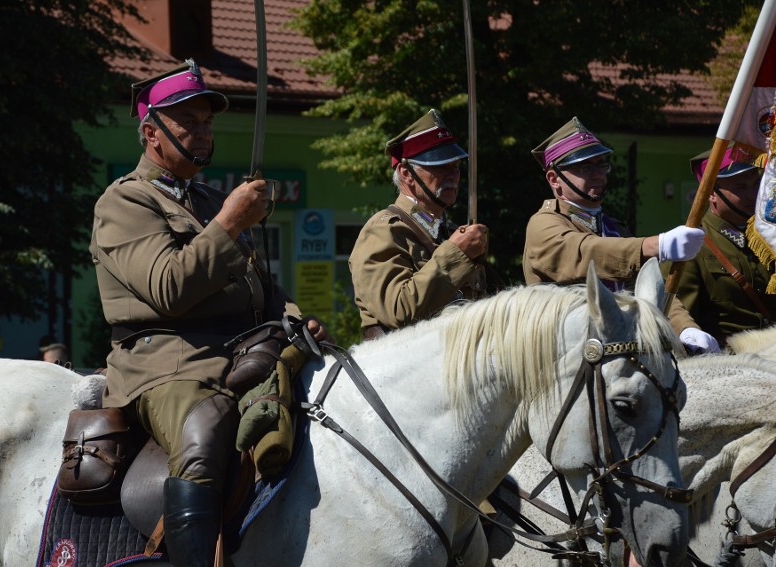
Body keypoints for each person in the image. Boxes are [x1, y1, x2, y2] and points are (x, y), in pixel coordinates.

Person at [89, 59, 326, 566]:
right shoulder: (124, 202)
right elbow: (169, 288)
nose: (202, 132)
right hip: (164, 363)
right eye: (188, 123)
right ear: (151, 133)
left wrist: (295, 317)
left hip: (240, 351)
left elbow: (259, 286)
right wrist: (228, 223)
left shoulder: (210, 200)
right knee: (208, 430)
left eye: (207, 122)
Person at [524, 116, 720, 353]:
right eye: (585, 167)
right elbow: (585, 252)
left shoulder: (613, 228)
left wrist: (685, 329)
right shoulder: (544, 224)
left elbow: (649, 287)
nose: (597, 174)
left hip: (620, 353)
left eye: (601, 164)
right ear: (555, 179)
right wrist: (654, 245)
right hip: (566, 358)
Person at [348, 109, 494, 339]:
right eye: (440, 166)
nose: (453, 174)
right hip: (403, 368)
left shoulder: (450, 232)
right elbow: (397, 309)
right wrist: (456, 254)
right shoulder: (384, 229)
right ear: (406, 173)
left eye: (455, 166)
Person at [660, 146, 774, 346]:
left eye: (756, 184)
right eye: (740, 187)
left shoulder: (769, 236)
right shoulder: (692, 246)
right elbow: (679, 317)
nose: (753, 194)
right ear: (711, 194)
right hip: (728, 365)